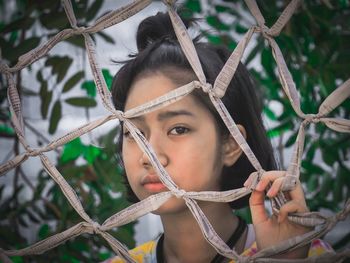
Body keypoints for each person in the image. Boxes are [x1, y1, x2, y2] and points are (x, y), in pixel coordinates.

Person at [106, 12, 332, 263]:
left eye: (178, 129)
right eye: (133, 133)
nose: (151, 156)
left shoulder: (304, 255)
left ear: (232, 144)